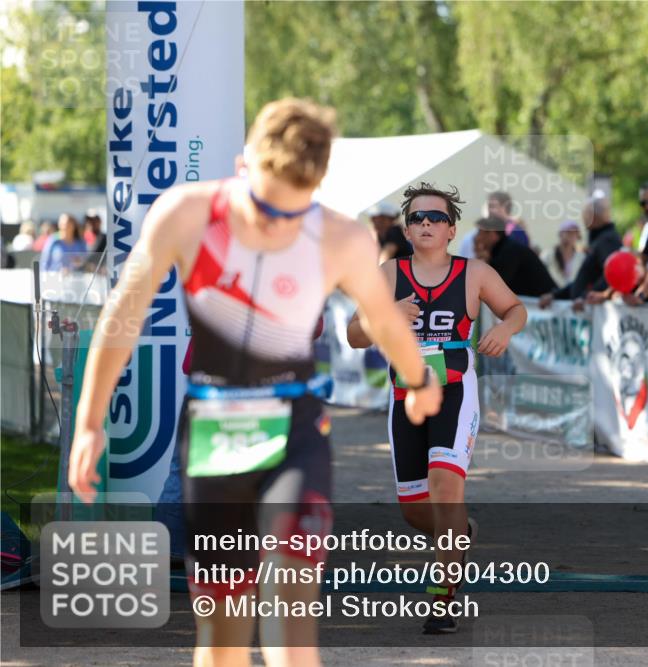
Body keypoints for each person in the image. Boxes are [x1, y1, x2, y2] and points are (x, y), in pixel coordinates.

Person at [67, 98, 442, 667]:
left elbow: (384, 317)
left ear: (314, 192)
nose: (275, 225)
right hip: (214, 430)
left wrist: (419, 380)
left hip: (295, 429)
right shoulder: (186, 214)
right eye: (264, 208)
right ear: (243, 167)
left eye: (291, 214)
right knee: (222, 640)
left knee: (291, 626)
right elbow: (124, 313)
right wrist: (91, 423)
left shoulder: (338, 236)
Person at [346, 183, 526, 634]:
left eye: (436, 218)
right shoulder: (388, 274)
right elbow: (354, 333)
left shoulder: (475, 273)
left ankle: (442, 600)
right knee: (414, 510)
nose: (426, 224)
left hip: (454, 391)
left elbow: (516, 309)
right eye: (417, 218)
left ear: (451, 229)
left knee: (446, 490)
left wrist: (505, 330)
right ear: (406, 229)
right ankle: (460, 534)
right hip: (405, 394)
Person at [538, 197, 622, 310]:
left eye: (585, 214)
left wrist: (586, 297)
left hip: (594, 313)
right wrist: (555, 295)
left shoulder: (607, 240)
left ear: (593, 215)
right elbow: (583, 280)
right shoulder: (600, 240)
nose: (583, 218)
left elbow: (610, 276)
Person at [474, 216, 556, 296]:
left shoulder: (509, 251)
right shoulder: (502, 249)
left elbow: (496, 285)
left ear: (493, 234)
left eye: (479, 232)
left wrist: (484, 262)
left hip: (548, 304)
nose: (476, 237)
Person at [541, 220, 584, 287]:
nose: (572, 236)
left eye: (575, 233)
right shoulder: (548, 255)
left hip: (572, 294)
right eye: (568, 232)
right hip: (551, 294)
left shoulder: (581, 257)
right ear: (560, 234)